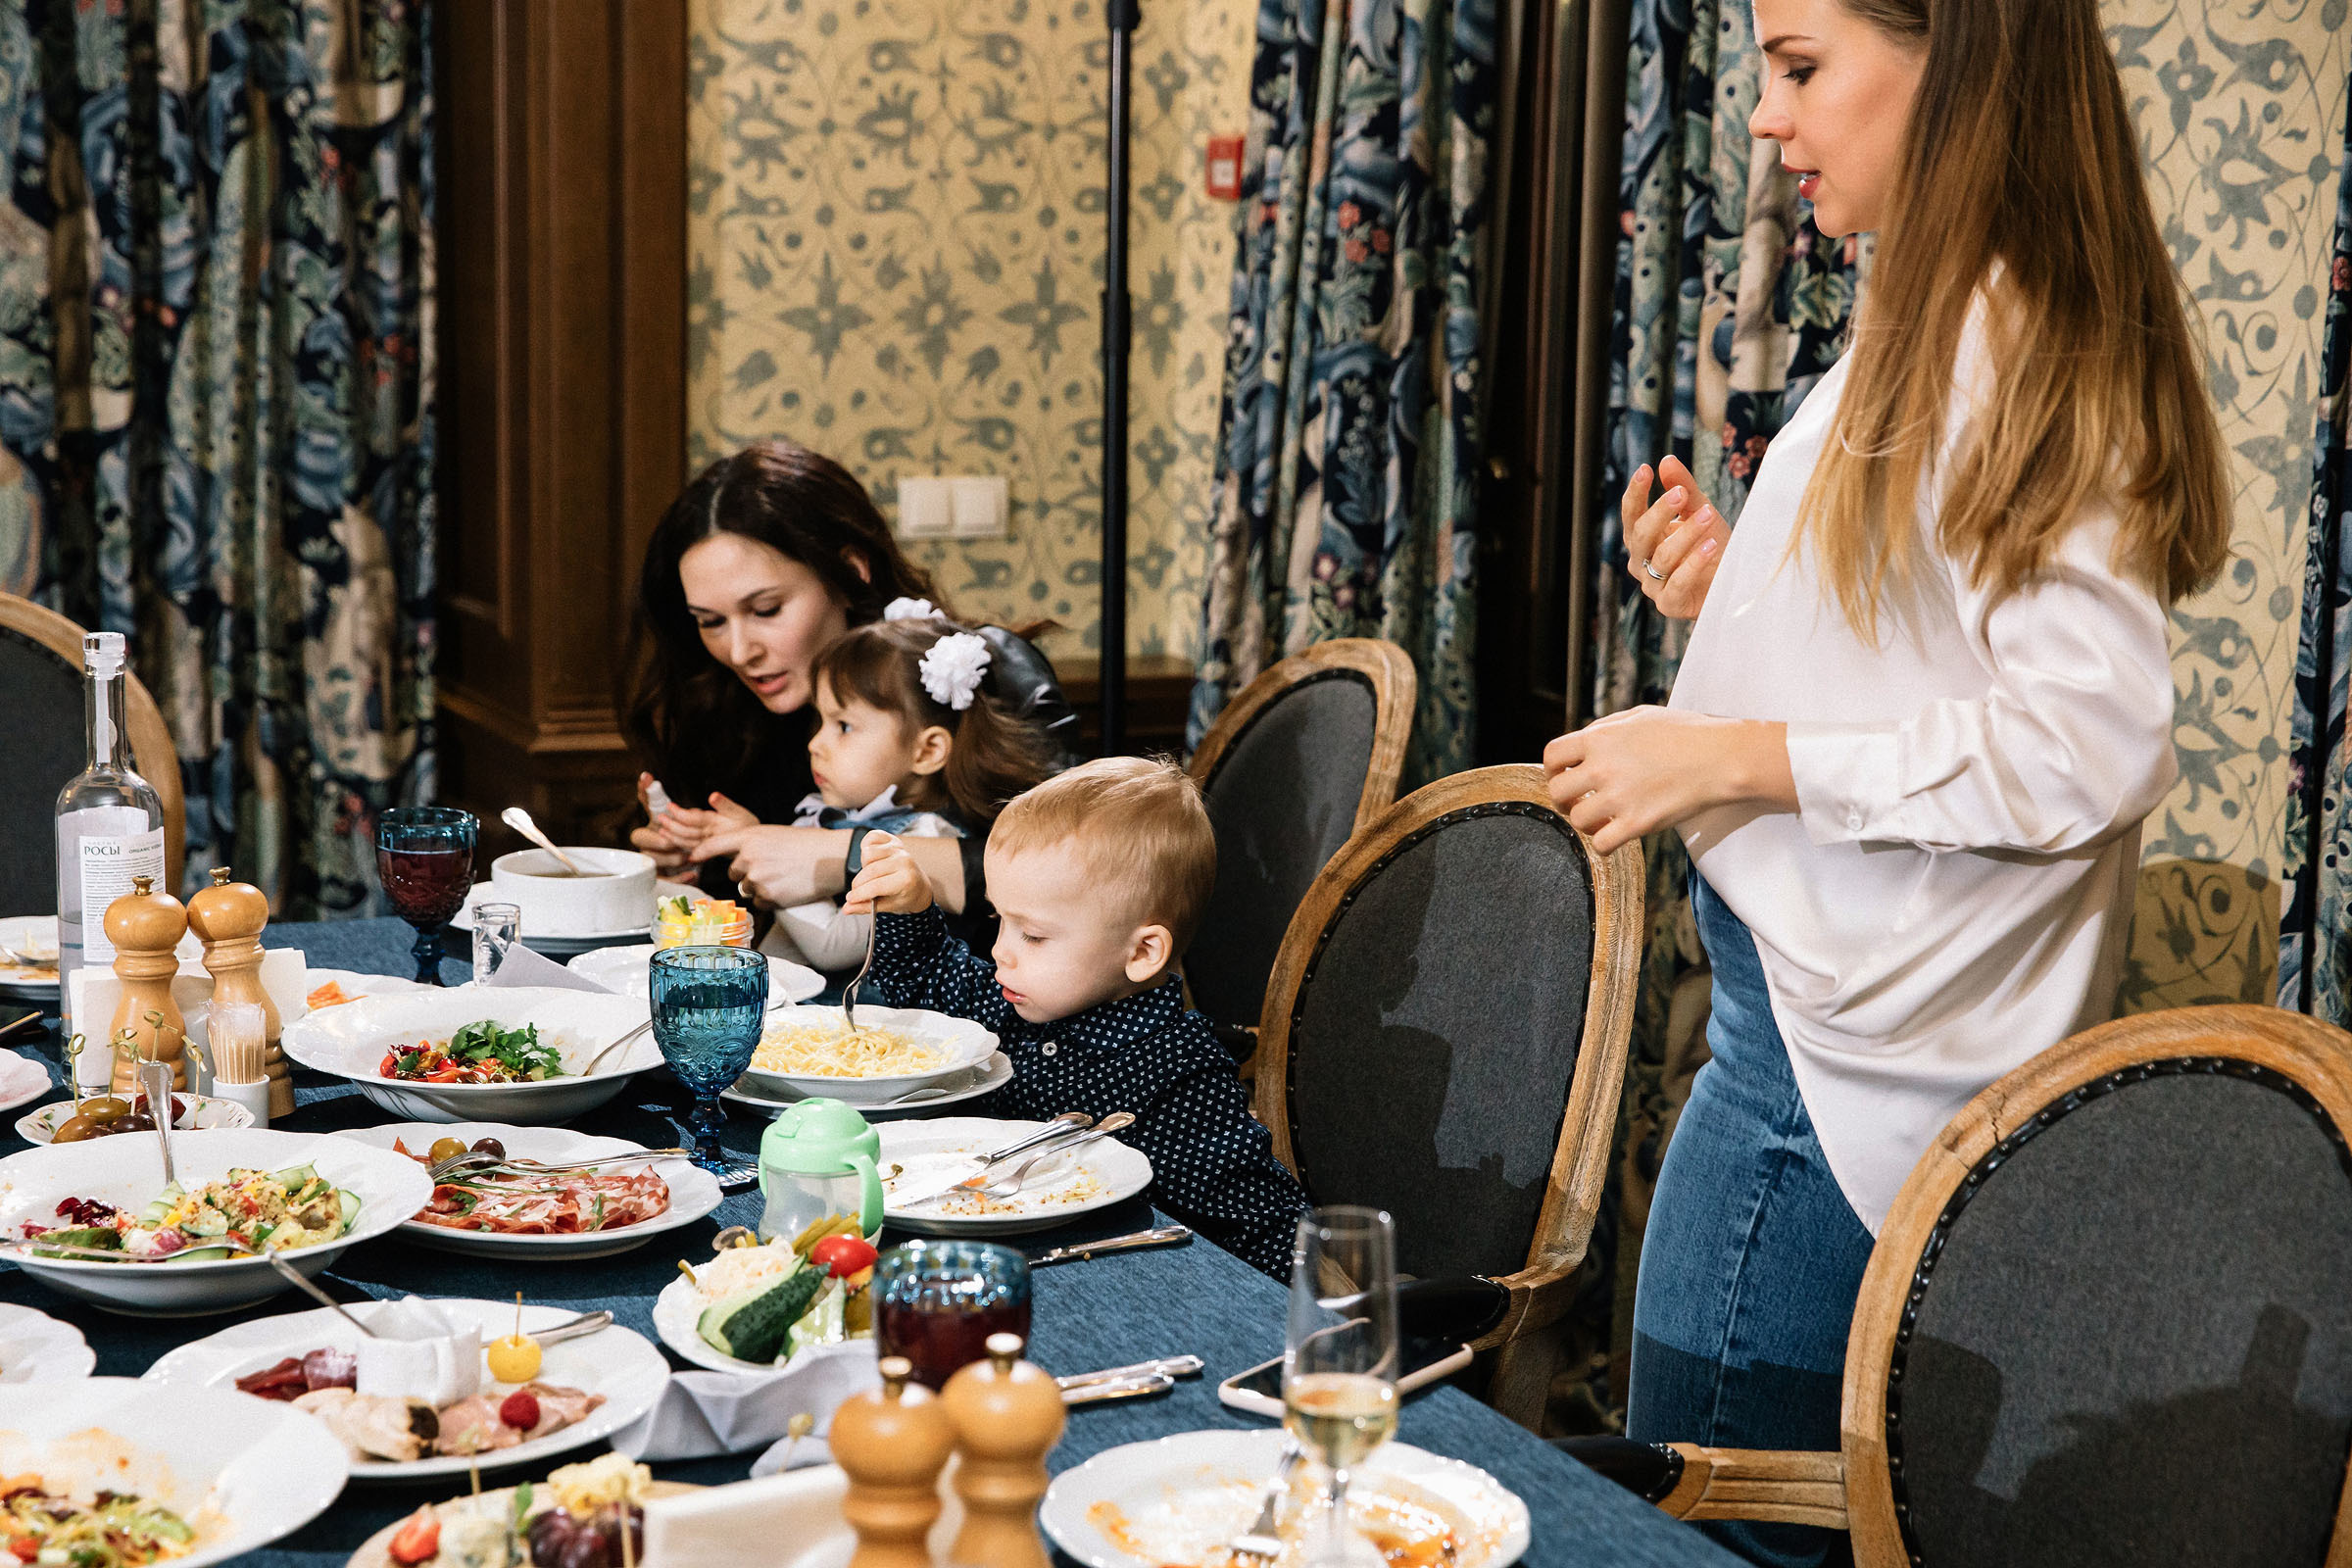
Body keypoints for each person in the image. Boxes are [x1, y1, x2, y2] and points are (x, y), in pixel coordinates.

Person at [1541, 1, 2230, 1563]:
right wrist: (1739, 596)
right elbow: (1936, 660)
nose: (1768, 120)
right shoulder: (1944, 317)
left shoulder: (2003, 334)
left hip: (1822, 1094)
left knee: (1713, 1536)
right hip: (1812, 1045)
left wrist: (1722, 752)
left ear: (1962, 68)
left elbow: (2087, 743)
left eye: (1799, 70)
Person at [843, 757, 1310, 1278]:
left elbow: (1263, 1230)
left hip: (1129, 1285)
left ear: (1142, 953)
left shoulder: (1180, 1074)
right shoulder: (1013, 1004)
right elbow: (928, 977)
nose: (1001, 951)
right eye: (1000, 920)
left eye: (1034, 935)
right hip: (1000, 1258)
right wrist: (911, 908)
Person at [622, 439, 1076, 943]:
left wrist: (837, 853)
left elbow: (1077, 872)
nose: (738, 650)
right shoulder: (726, 705)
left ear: (850, 571)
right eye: (710, 621)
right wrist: (687, 862)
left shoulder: (975, 671)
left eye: (767, 610)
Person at [762, 605, 1060, 972]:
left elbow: (833, 945)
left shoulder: (924, 841)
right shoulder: (837, 817)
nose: (814, 744)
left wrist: (771, 871)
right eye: (820, 720)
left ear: (927, 751)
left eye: (843, 726)